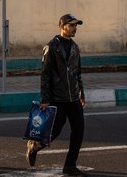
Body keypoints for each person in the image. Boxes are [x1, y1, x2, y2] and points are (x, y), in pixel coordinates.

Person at [26, 13, 88, 175]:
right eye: (72, 25)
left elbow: (77, 72)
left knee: (79, 130)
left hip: (73, 97)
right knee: (54, 132)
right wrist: (45, 98)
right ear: (62, 27)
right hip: (57, 98)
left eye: (76, 26)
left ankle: (69, 165)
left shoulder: (75, 47)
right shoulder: (51, 47)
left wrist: (81, 92)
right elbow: (45, 74)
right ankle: (35, 146)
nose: (75, 28)